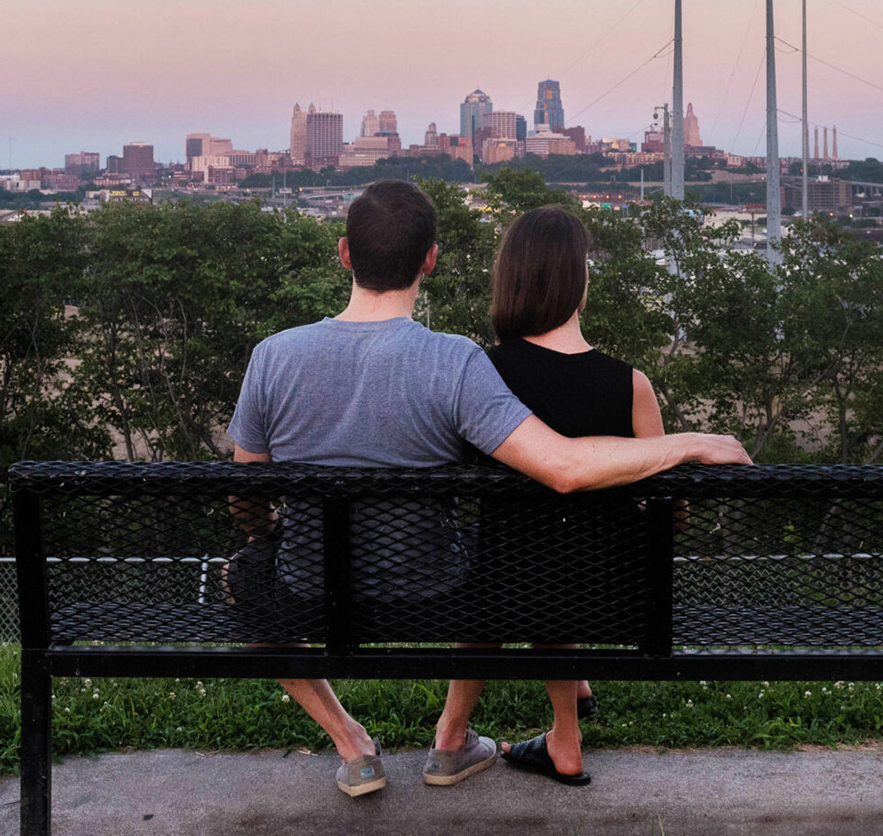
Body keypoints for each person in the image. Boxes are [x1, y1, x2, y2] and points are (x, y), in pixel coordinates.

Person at [227, 180, 750, 797]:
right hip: (433, 591)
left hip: (309, 589)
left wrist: (272, 538)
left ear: (344, 253)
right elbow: (561, 466)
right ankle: (450, 740)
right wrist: (685, 443)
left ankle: (352, 744)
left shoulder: (273, 356)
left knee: (245, 577)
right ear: (430, 258)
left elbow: (246, 493)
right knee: (499, 549)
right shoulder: (455, 362)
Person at [479, 205, 662, 786]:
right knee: (566, 551)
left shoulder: (484, 376)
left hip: (510, 591)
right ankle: (569, 714)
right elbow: (667, 512)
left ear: (511, 279)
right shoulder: (631, 383)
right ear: (580, 281)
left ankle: (565, 733)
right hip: (621, 595)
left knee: (532, 551)